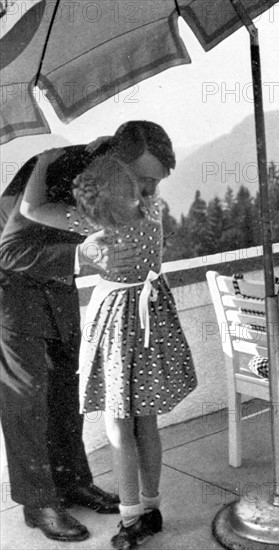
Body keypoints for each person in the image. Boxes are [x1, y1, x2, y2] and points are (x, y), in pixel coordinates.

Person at [0, 121, 179, 543]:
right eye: (146, 180)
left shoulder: (108, 174)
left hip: (58, 280)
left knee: (67, 384)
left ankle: (72, 483)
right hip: (10, 285)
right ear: (117, 164)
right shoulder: (57, 169)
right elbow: (9, 250)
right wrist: (82, 253)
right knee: (26, 396)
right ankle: (39, 502)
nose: (150, 191)